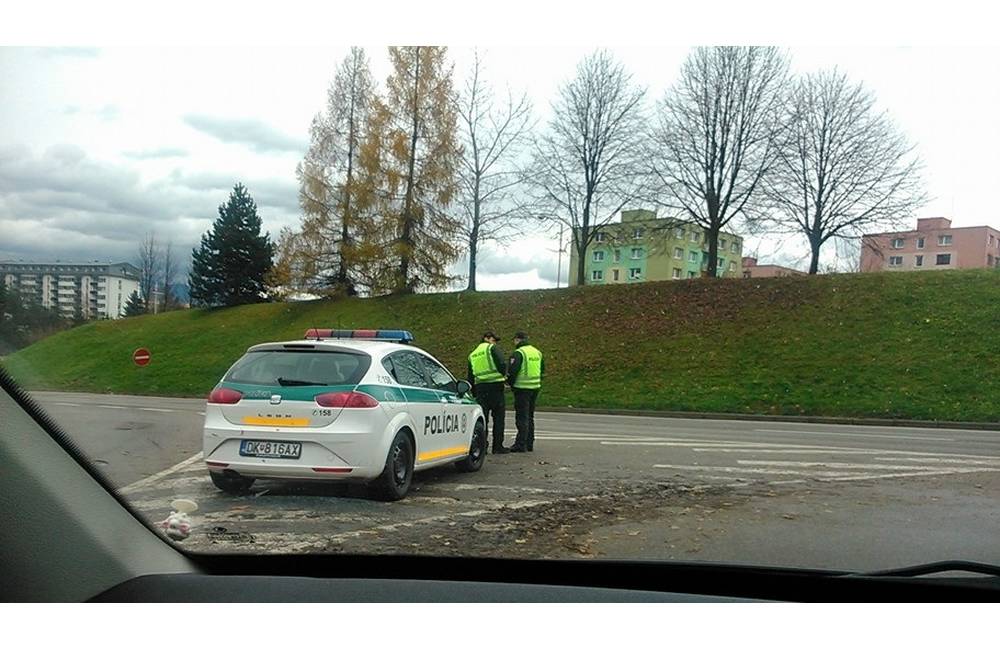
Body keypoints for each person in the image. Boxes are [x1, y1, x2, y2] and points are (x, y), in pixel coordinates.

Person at [467, 330, 509, 454]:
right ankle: (498, 446)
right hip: (496, 387)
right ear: (487, 338)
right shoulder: (491, 349)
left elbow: (470, 376)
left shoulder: (472, 354)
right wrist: (504, 376)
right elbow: (502, 363)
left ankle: (482, 446)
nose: (495, 342)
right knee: (498, 418)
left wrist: (474, 392)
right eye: (494, 340)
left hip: (481, 388)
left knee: (483, 419)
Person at [507, 331, 544, 453]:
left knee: (522, 417)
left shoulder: (518, 353)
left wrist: (510, 384)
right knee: (530, 416)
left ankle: (520, 444)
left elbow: (513, 372)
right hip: (535, 387)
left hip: (522, 388)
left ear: (518, 340)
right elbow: (542, 369)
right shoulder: (537, 352)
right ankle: (529, 443)